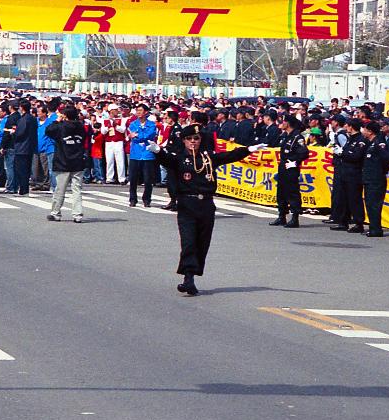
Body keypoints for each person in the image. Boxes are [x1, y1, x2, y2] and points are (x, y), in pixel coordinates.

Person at [149, 124, 264, 296]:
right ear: (184, 141)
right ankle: (187, 279)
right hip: (187, 204)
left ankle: (192, 278)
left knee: (202, 243)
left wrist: (249, 149)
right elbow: (167, 161)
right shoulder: (180, 157)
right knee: (188, 242)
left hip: (206, 205)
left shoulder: (208, 157)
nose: (193, 142)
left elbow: (228, 156)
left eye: (196, 139)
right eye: (189, 139)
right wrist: (158, 151)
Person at [46, 105, 87, 223]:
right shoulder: (80, 126)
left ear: (65, 115)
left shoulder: (60, 127)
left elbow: (48, 130)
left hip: (63, 161)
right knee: (77, 189)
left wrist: (57, 120)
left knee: (60, 189)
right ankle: (77, 214)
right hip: (78, 161)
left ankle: (56, 213)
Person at [271, 116, 310, 228]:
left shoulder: (297, 137)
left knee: (292, 193)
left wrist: (295, 162)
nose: (281, 123)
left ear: (288, 124)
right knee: (281, 192)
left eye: (283, 122)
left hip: (291, 168)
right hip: (283, 167)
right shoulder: (285, 136)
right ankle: (282, 216)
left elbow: (304, 153)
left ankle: (294, 218)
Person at [330, 118, 367, 234]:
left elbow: (356, 156)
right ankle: (343, 221)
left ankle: (358, 223)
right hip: (344, 172)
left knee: (354, 199)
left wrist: (343, 153)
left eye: (348, 125)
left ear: (351, 126)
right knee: (343, 198)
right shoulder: (350, 139)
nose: (346, 127)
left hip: (354, 173)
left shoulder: (360, 140)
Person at [360, 120, 389, 238]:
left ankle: (376, 229)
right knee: (369, 203)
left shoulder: (379, 143)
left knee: (374, 204)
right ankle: (373, 228)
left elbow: (386, 159)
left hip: (376, 179)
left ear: (370, 131)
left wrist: (382, 172)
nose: (364, 132)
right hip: (369, 178)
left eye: (366, 129)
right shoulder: (370, 143)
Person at [126, 103, 158, 207]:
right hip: (135, 153)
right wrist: (136, 136)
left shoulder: (152, 124)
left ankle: (147, 199)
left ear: (146, 112)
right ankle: (132, 199)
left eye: (140, 110)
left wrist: (138, 135)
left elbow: (149, 136)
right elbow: (132, 135)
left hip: (147, 153)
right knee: (133, 178)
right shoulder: (133, 124)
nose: (138, 112)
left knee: (148, 179)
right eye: (137, 110)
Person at [11, 100, 38, 196]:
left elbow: (20, 133)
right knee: (26, 169)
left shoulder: (24, 119)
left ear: (22, 108)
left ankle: (23, 188)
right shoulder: (33, 118)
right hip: (30, 146)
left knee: (21, 169)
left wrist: (14, 133)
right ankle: (24, 188)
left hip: (22, 147)